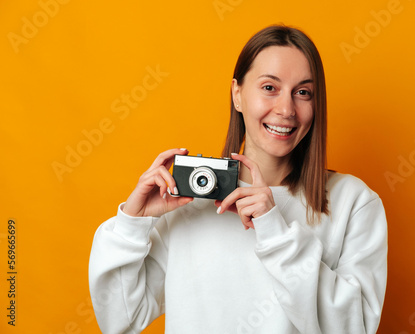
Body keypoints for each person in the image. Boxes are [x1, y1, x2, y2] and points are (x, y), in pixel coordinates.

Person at [89, 24, 387, 334]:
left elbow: (356, 328)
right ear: (238, 95)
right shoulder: (188, 199)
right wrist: (131, 225)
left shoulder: (353, 202)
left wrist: (274, 231)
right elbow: (120, 319)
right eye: (269, 88)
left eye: (302, 93)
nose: (286, 109)